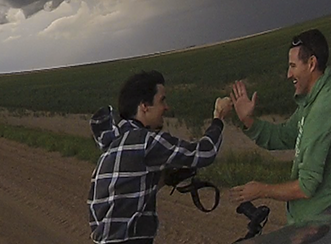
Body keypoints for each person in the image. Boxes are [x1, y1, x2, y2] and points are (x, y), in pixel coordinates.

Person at [88, 70, 232, 243]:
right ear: (144, 106)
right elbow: (205, 152)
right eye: (162, 100)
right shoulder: (145, 141)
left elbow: (128, 194)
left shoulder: (113, 146)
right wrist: (218, 118)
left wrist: (165, 178)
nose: (166, 107)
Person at [230, 29, 331, 224]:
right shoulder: (314, 100)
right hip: (314, 217)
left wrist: (262, 190)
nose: (288, 74)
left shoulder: (325, 108)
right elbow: (284, 135)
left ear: (311, 64)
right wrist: (248, 120)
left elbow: (306, 187)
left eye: (292, 66)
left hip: (323, 221)